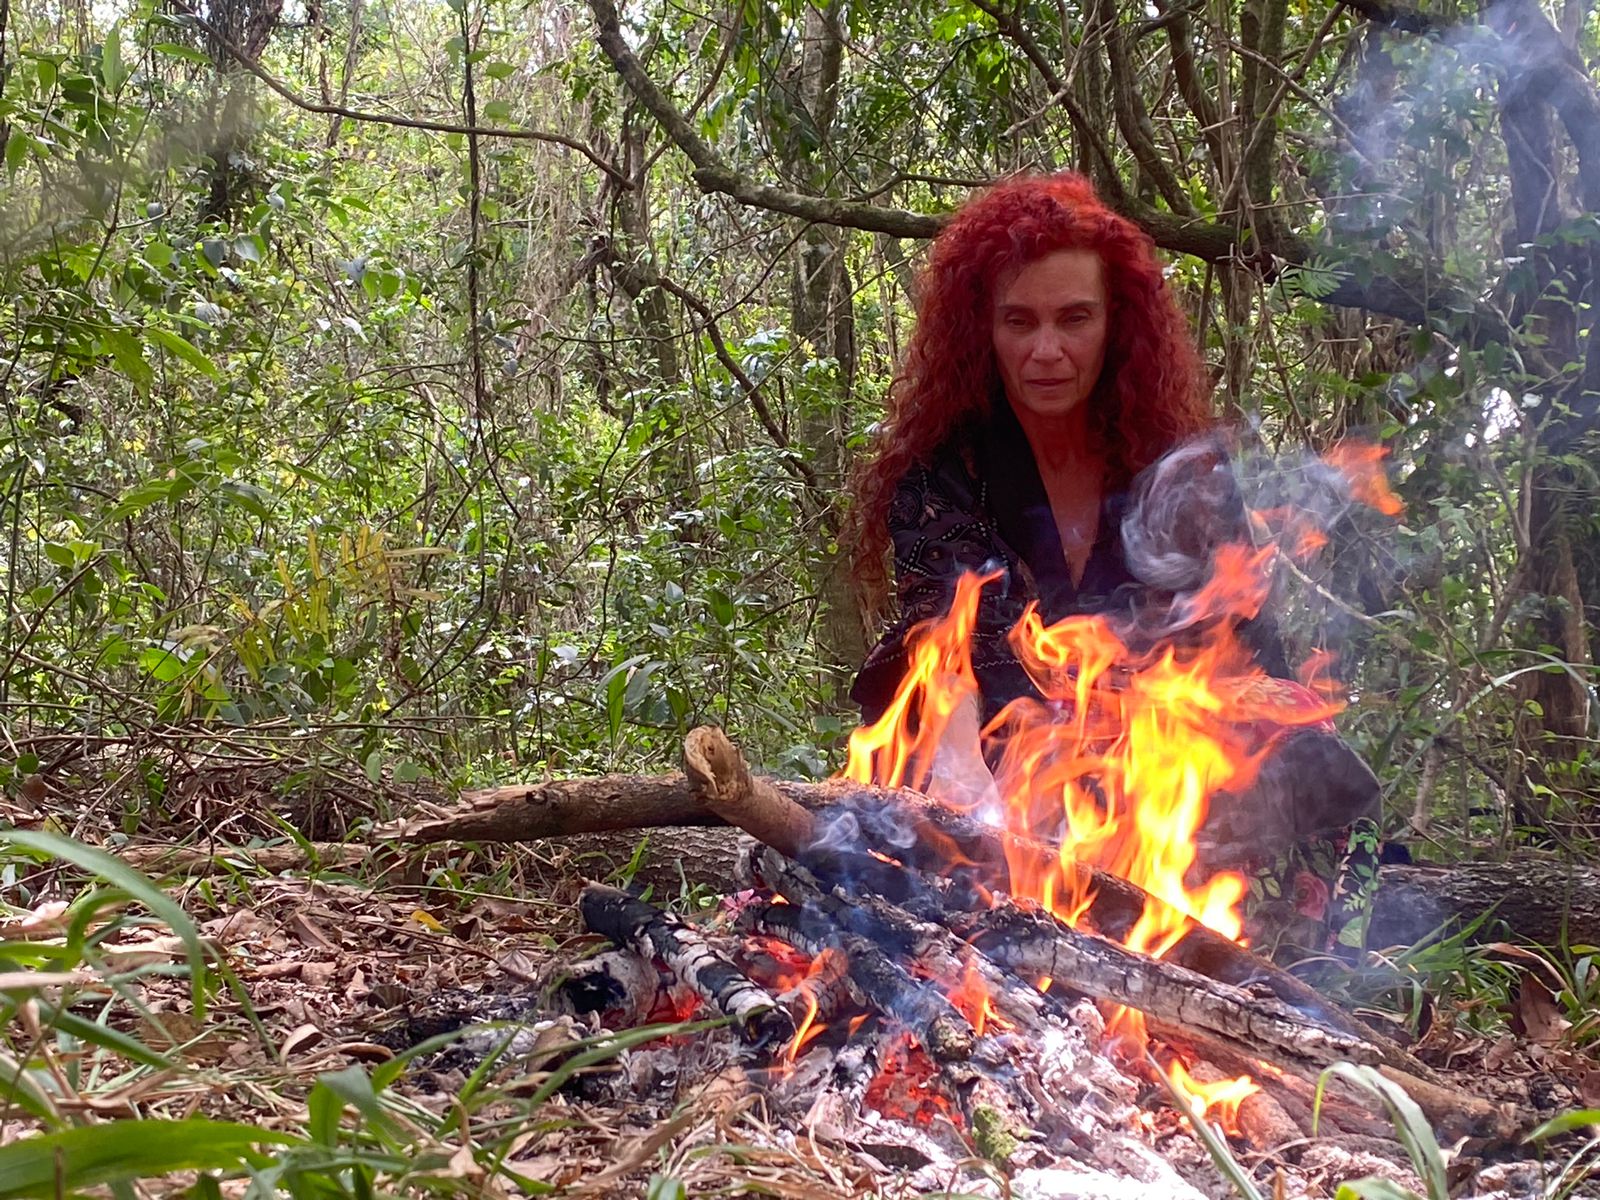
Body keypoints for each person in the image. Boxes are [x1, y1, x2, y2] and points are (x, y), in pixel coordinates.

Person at [847, 172, 1383, 954]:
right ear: (982, 330)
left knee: (1318, 763)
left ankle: (1278, 983)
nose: (1046, 351)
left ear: (1115, 324)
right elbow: (945, 647)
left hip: (1151, 752)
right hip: (997, 744)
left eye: (1075, 318)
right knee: (919, 735)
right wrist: (975, 807)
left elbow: (1238, 651)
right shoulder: (943, 472)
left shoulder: (1183, 476)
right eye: (1018, 321)